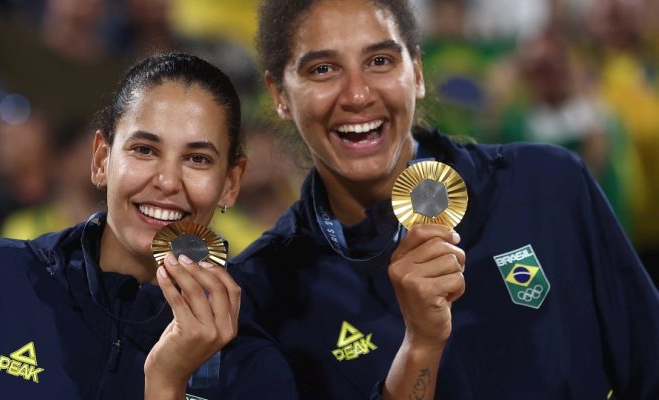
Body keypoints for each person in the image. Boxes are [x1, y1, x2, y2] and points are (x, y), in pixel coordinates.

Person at [229, 0, 659, 399]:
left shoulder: (549, 187)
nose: (357, 95)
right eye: (322, 70)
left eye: (380, 61)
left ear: (416, 71)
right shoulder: (266, 292)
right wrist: (419, 346)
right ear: (279, 96)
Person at [0, 52, 297, 399]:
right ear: (101, 159)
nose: (166, 181)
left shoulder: (252, 368)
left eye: (197, 159)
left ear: (231, 183)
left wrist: (167, 385)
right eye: (144, 150)